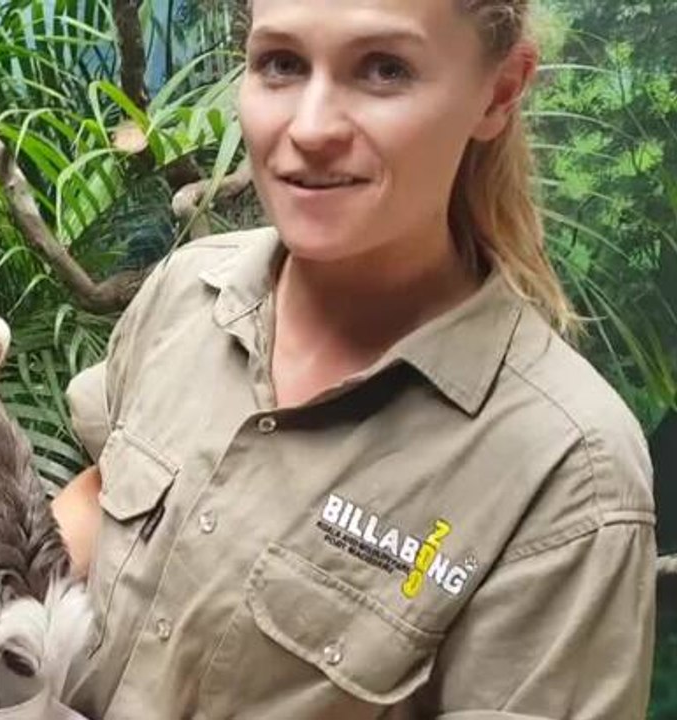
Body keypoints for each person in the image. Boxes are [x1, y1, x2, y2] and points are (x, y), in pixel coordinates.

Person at [50, 0, 658, 718]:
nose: (309, 129)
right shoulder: (191, 289)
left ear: (499, 91)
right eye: (281, 63)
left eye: (384, 69)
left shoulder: (564, 470)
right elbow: (99, 496)